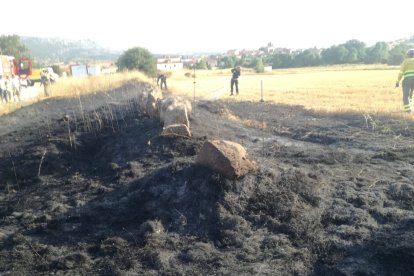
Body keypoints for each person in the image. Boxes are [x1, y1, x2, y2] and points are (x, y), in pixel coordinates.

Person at [396, 49, 414, 113]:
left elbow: (401, 72)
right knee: (411, 94)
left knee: (406, 95)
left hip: (408, 80)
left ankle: (408, 110)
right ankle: (410, 104)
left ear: (408, 55)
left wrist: (397, 81)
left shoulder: (405, 62)